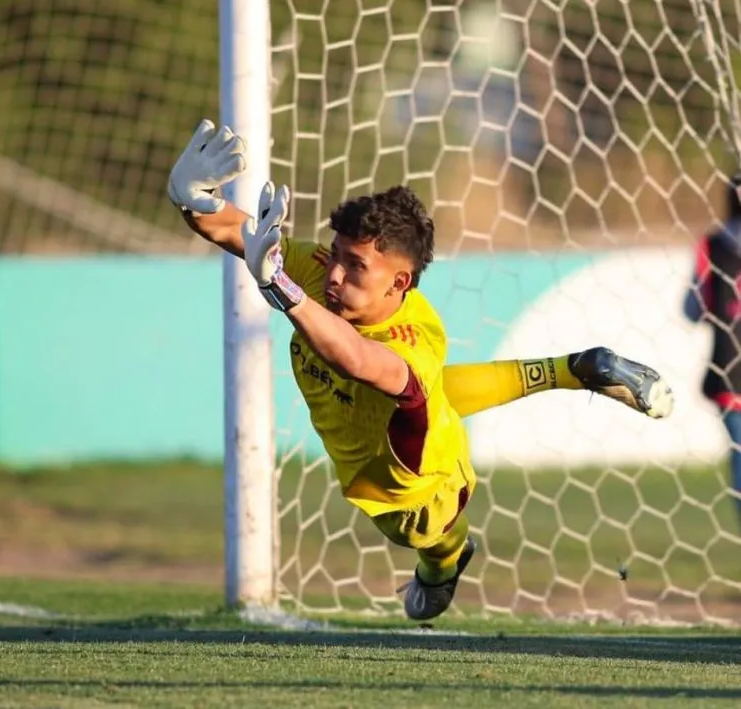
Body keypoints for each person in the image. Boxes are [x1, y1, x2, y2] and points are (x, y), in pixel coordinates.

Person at [167, 119, 674, 621]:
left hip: (415, 484)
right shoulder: (323, 272)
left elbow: (356, 359)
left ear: (399, 283)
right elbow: (237, 231)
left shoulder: (411, 340)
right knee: (439, 397)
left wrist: (282, 290)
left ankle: (445, 566)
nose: (336, 274)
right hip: (398, 421)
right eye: (337, 255)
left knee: (434, 542)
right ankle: (576, 368)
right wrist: (193, 197)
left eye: (356, 266)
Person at [684, 173, 741, 521]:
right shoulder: (712, 247)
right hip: (730, 378)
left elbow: (691, 309)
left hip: (729, 375)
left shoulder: (713, 246)